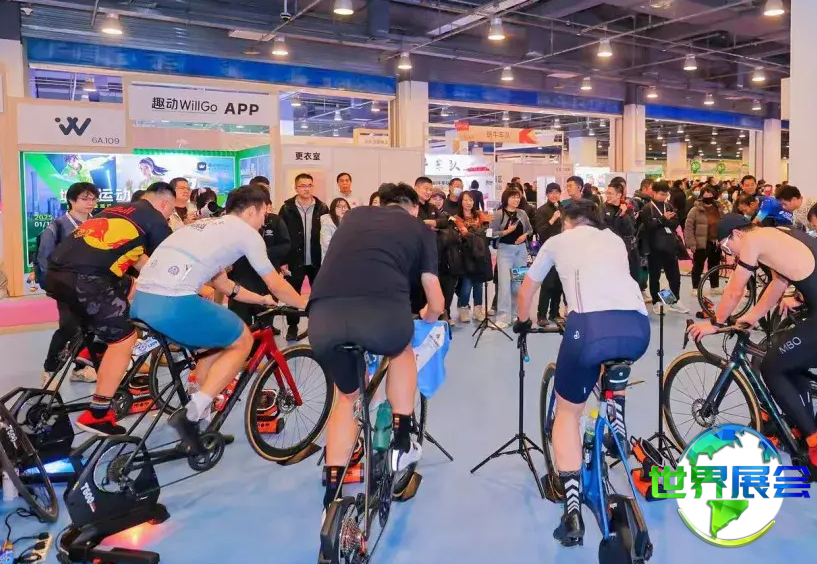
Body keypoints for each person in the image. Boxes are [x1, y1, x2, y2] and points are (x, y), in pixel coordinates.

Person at [514, 199, 650, 547]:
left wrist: (523, 321)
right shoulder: (614, 239)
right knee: (612, 364)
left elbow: (527, 289)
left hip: (588, 328)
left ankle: (572, 510)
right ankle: (615, 420)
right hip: (637, 326)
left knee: (567, 413)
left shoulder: (558, 241)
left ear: (567, 221)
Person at [130, 185, 307, 451]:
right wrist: (306, 304)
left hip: (142, 303)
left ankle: (200, 425)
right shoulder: (247, 234)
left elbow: (223, 284)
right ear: (252, 210)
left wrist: (261, 300)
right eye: (263, 214)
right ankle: (191, 414)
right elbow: (276, 283)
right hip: (173, 303)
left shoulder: (203, 226)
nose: (264, 222)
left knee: (210, 348)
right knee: (243, 339)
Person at [308, 182, 444, 513]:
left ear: (381, 203)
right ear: (414, 208)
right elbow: (436, 299)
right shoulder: (420, 229)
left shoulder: (353, 218)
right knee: (401, 349)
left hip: (324, 316)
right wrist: (428, 316)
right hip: (381, 312)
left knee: (347, 398)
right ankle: (402, 438)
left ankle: (332, 497)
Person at [45, 182, 176, 434]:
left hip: (58, 274)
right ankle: (97, 414)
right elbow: (172, 261)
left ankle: (92, 348)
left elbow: (140, 260)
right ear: (165, 203)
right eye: (171, 210)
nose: (170, 215)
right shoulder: (156, 220)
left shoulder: (119, 209)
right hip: (87, 280)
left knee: (130, 289)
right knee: (124, 339)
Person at [688, 213, 817, 467]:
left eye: (727, 247)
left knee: (772, 366)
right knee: (789, 360)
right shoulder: (775, 234)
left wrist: (716, 322)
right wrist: (752, 316)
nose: (730, 254)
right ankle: (803, 427)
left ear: (737, 234)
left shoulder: (751, 241)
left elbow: (736, 289)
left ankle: (814, 445)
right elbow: (778, 284)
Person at [38, 182, 101, 384]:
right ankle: (50, 369)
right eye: (84, 198)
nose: (90, 202)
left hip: (94, 285)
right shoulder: (56, 227)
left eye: (93, 198)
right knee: (68, 327)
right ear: (72, 200)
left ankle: (80, 368)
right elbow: (44, 259)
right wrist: (53, 286)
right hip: (65, 286)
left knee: (90, 328)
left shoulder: (99, 224)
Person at [228, 179, 291, 328]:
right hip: (241, 277)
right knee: (239, 323)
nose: (263, 220)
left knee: (265, 321)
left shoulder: (275, 221)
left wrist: (261, 253)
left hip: (266, 277)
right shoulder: (233, 226)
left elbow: (285, 245)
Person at [279, 173, 329, 341]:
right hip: (294, 260)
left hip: (316, 260)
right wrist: (283, 261)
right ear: (296, 188)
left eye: (309, 185)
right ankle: (292, 326)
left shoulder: (322, 208)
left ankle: (317, 325)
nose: (306, 189)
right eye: (302, 186)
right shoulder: (287, 209)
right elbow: (282, 236)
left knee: (319, 294)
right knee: (292, 294)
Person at [641, 181, 688, 313]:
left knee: (674, 276)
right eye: (662, 194)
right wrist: (662, 219)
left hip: (669, 246)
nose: (664, 197)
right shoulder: (647, 208)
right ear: (654, 193)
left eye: (666, 194)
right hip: (654, 248)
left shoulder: (669, 206)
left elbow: (675, 223)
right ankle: (656, 302)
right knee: (655, 277)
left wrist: (664, 221)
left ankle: (674, 301)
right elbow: (648, 226)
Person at [491, 186, 533, 328]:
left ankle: (515, 314)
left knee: (517, 284)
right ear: (506, 198)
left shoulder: (522, 213)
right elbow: (490, 233)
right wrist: (506, 232)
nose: (516, 200)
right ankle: (503, 317)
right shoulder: (499, 214)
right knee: (504, 285)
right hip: (505, 251)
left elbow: (530, 229)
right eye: (513, 197)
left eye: (518, 197)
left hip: (521, 252)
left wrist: (524, 235)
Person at [452, 191, 491, 322]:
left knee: (479, 284)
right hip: (466, 255)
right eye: (465, 200)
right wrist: (475, 233)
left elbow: (486, 230)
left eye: (471, 200)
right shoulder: (457, 218)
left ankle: (478, 310)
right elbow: (463, 234)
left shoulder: (480, 214)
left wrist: (471, 233)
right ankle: (463, 309)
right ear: (461, 202)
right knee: (467, 284)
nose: (468, 203)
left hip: (480, 253)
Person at [684, 186, 723, 297]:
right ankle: (695, 287)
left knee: (714, 265)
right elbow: (688, 228)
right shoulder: (695, 210)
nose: (708, 196)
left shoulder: (719, 209)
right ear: (701, 196)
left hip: (716, 242)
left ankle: (714, 286)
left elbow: (724, 223)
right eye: (705, 194)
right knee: (698, 266)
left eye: (710, 194)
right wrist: (692, 243)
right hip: (700, 243)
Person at [534, 183, 564, 326]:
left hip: (562, 251)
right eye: (551, 192)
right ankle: (541, 314)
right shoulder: (541, 211)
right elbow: (541, 232)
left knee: (559, 283)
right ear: (547, 194)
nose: (554, 195)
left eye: (557, 192)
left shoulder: (563, 209)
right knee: (547, 284)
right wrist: (552, 220)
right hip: (548, 251)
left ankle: (555, 313)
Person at [602, 180, 639, 286]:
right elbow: (607, 229)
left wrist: (624, 215)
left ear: (619, 195)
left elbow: (631, 230)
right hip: (610, 250)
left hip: (628, 249)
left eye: (610, 193)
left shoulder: (628, 208)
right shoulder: (602, 209)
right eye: (607, 193)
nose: (607, 195)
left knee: (632, 278)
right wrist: (619, 215)